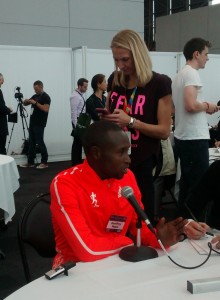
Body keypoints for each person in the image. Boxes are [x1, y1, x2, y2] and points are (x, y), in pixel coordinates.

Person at [50, 120, 187, 267]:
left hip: (116, 264)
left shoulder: (127, 177)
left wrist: (158, 238)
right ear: (96, 153)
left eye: (127, 151)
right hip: (74, 269)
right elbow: (87, 250)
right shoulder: (65, 183)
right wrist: (127, 243)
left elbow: (139, 228)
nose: (128, 159)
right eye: (121, 152)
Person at [101, 29, 172, 224]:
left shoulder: (159, 83)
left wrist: (131, 122)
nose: (120, 65)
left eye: (125, 59)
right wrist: (107, 118)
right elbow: (110, 110)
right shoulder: (114, 79)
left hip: (141, 162)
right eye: (116, 60)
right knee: (114, 215)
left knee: (142, 217)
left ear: (138, 55)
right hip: (113, 160)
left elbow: (165, 131)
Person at [172, 37, 219, 214]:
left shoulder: (178, 76)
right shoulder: (191, 73)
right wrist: (207, 106)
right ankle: (194, 227)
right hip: (193, 137)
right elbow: (190, 105)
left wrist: (203, 107)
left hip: (184, 136)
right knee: (198, 186)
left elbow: (176, 109)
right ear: (196, 54)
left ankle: (183, 225)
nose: (208, 58)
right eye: (206, 54)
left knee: (187, 184)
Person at [20, 80, 51, 169]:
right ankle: (31, 162)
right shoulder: (34, 96)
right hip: (32, 122)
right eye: (34, 89)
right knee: (31, 142)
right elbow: (26, 104)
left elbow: (46, 109)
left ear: (41, 87)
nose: (35, 91)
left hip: (40, 123)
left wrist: (35, 103)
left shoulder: (46, 97)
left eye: (36, 89)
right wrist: (26, 101)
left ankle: (44, 162)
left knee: (40, 142)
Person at [70, 78, 88, 166]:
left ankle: (77, 162)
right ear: (79, 86)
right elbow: (73, 112)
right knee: (77, 144)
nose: (86, 88)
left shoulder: (79, 95)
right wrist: (76, 125)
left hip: (81, 120)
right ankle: (75, 163)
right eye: (85, 87)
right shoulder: (75, 96)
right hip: (78, 121)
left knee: (78, 143)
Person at [0, 73, 13, 155]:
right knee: (1, 148)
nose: (2, 83)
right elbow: (1, 108)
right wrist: (8, 110)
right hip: (0, 126)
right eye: (2, 81)